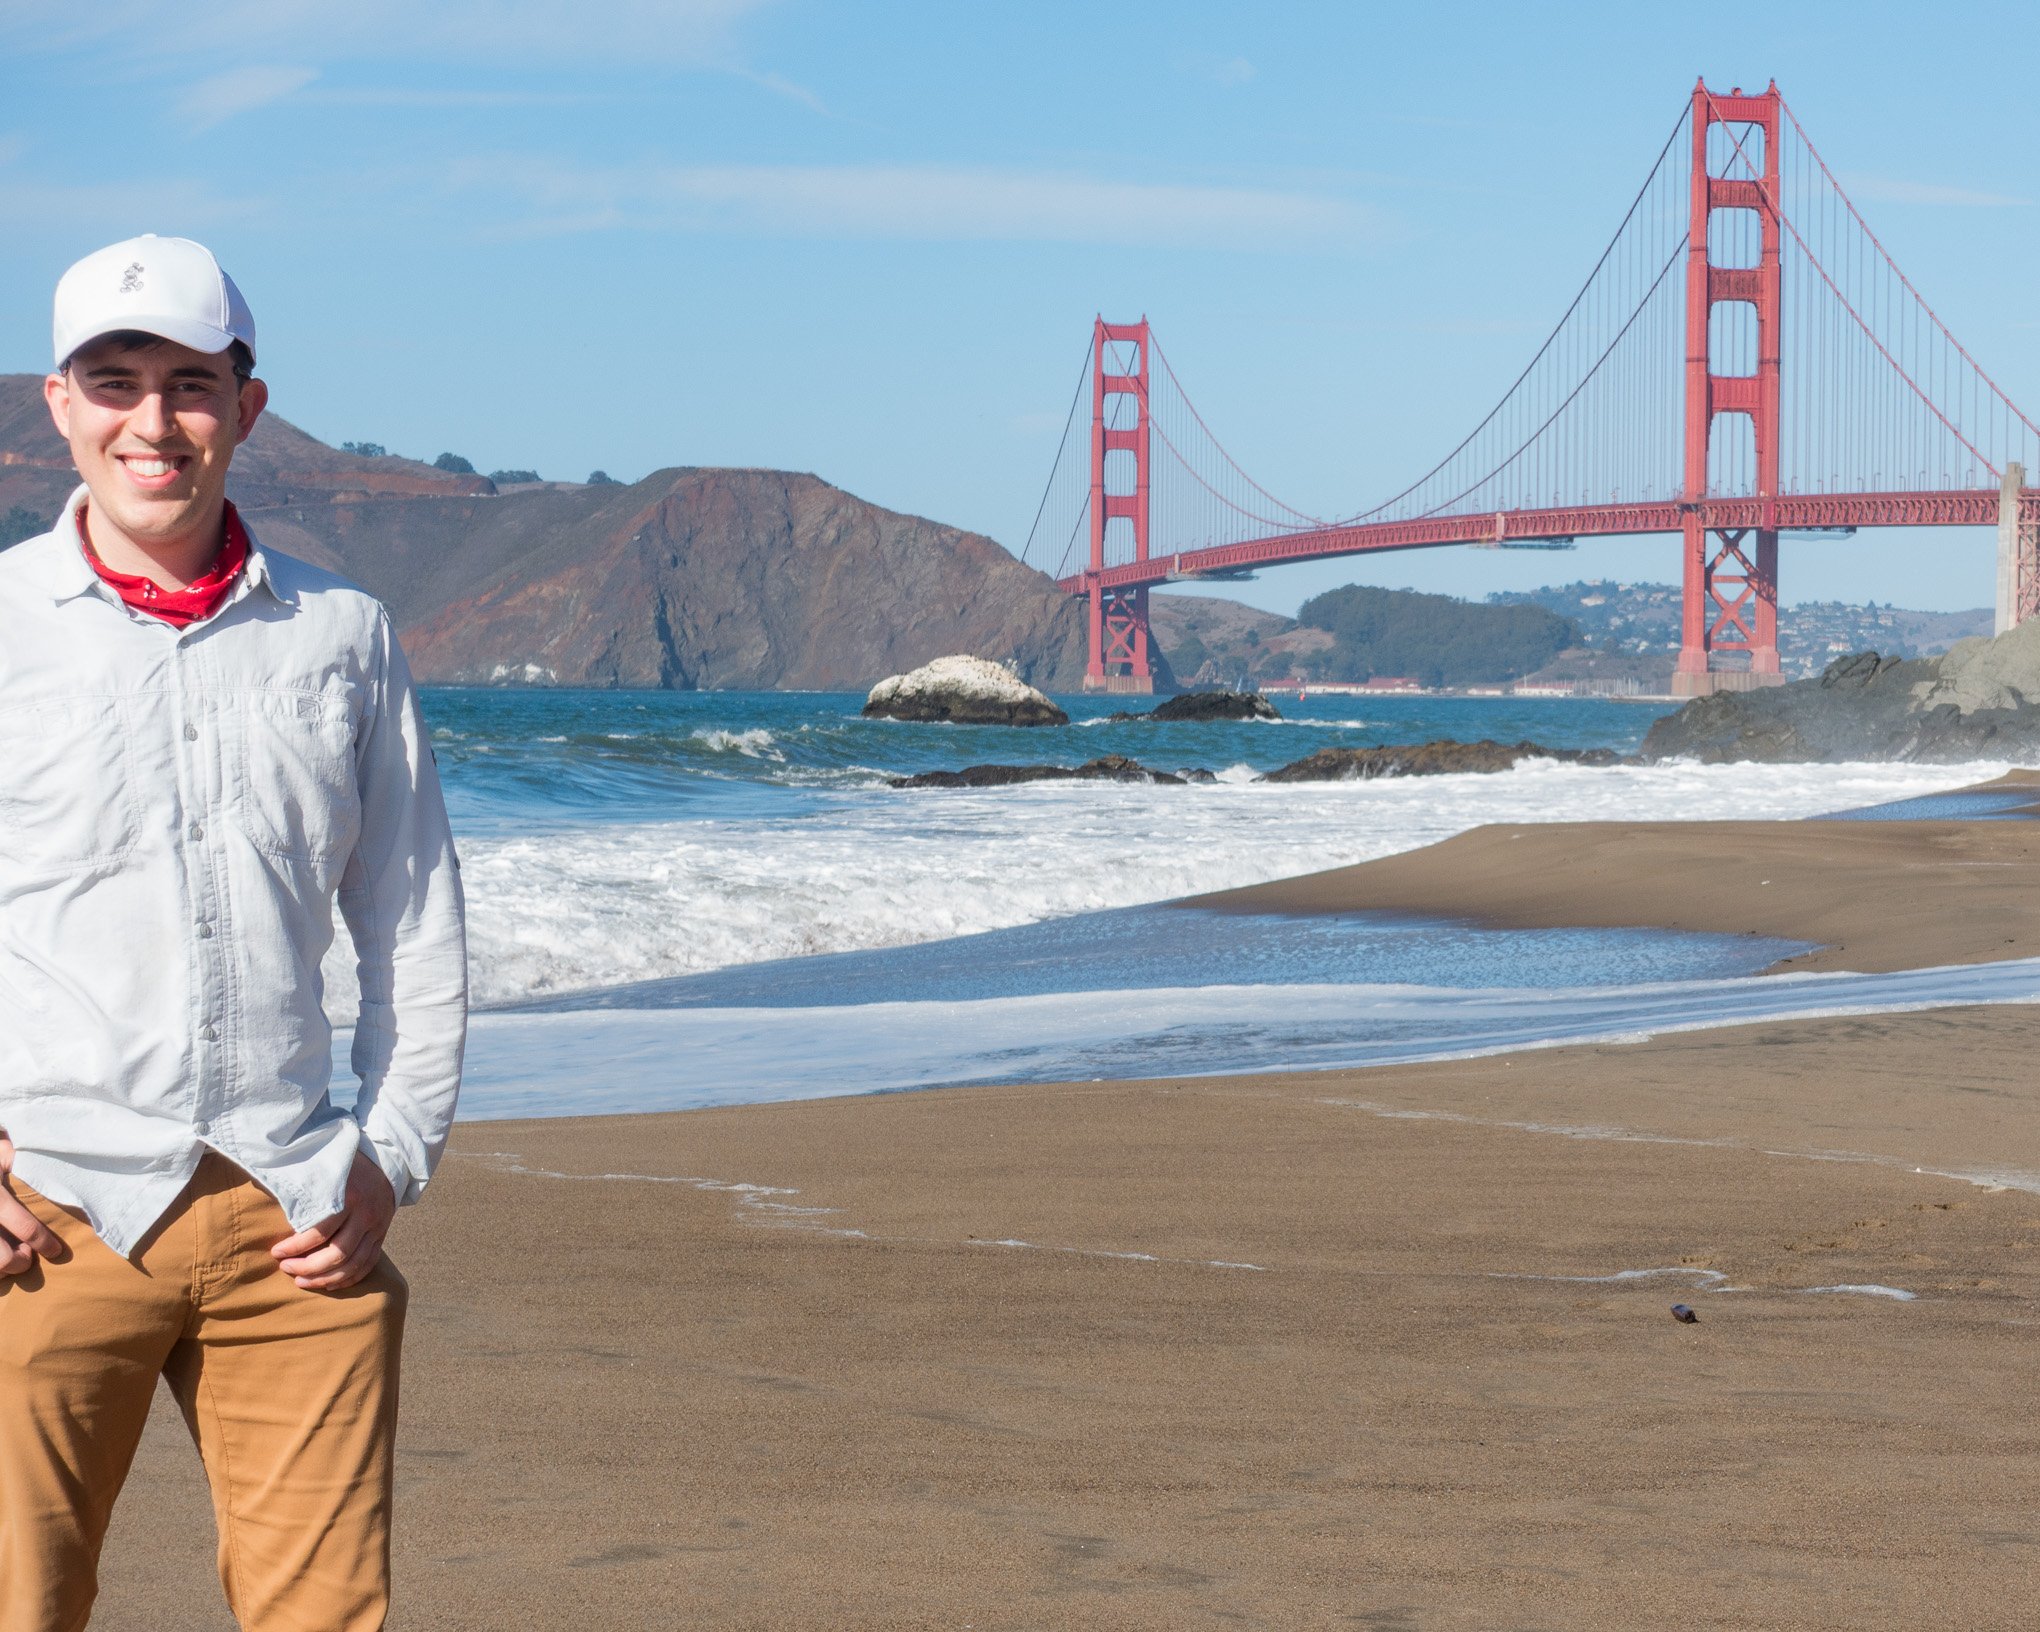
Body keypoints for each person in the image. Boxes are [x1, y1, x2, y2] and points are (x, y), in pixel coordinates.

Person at [0, 234, 468, 1631]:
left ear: (247, 410)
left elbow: (412, 917)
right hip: (51, 1221)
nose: (156, 422)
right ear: (61, 404)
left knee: (325, 1618)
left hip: (294, 1213)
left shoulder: (345, 632)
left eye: (193, 384)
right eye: (118, 382)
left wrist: (392, 1153)